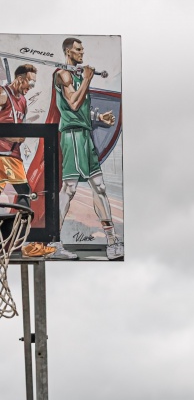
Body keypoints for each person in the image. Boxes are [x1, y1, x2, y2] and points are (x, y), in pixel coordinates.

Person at [53, 37, 121, 260]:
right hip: (72, 135)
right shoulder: (63, 74)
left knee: (99, 187)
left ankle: (112, 240)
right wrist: (87, 80)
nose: (82, 53)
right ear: (68, 52)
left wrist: (99, 117)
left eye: (82, 49)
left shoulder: (76, 76)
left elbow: (80, 109)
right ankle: (54, 242)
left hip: (84, 134)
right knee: (69, 188)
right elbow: (72, 104)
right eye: (78, 50)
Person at [0, 63, 37, 211]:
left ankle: (19, 224)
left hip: (13, 154)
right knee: (25, 192)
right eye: (31, 83)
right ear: (20, 79)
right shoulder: (3, 94)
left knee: (25, 193)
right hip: (2, 153)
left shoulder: (23, 101)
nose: (32, 87)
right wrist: (11, 137)